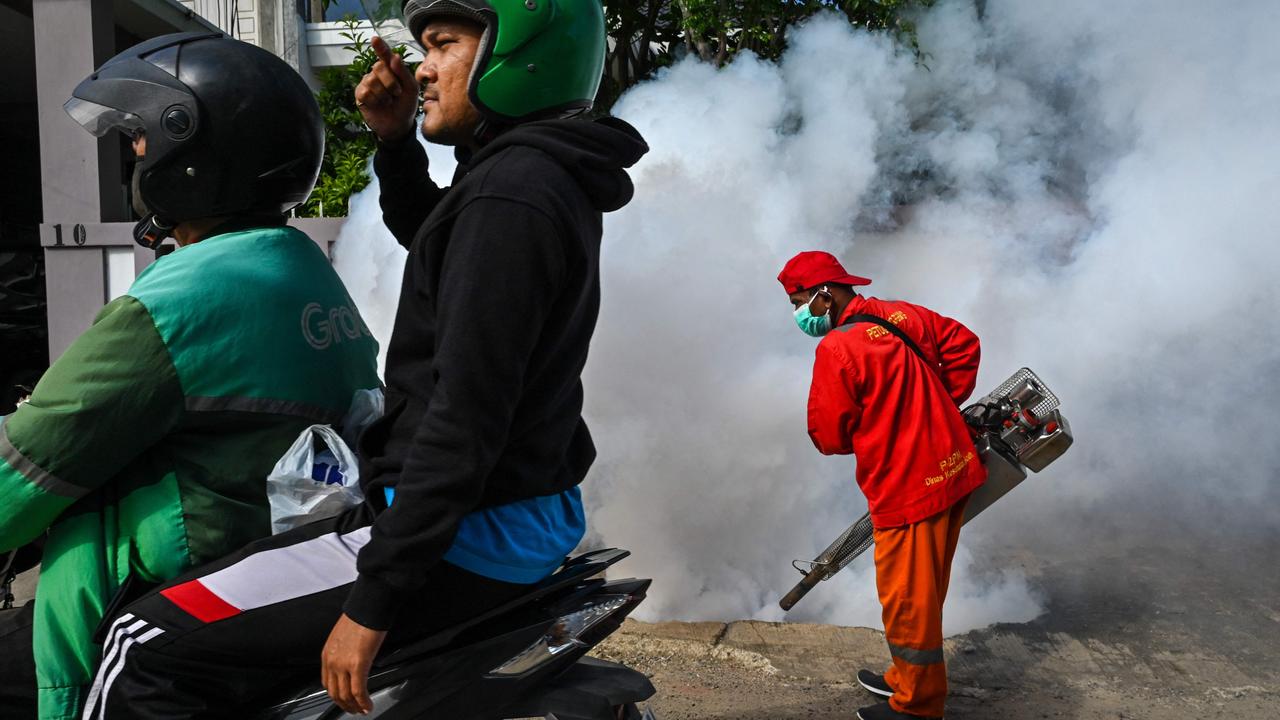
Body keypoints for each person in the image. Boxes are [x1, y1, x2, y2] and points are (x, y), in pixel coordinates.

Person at [85, 1, 648, 716]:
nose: (424, 67)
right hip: (511, 514)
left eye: (443, 45)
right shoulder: (529, 182)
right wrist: (394, 140)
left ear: (522, 53)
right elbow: (448, 255)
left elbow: (463, 420)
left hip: (467, 532)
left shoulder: (511, 196)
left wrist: (373, 603)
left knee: (139, 641)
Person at [0, 33, 382, 720]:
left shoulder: (184, 299)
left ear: (195, 151)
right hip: (253, 571)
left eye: (143, 138)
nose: (135, 154)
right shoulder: (300, 272)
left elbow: (25, 466)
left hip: (153, 592)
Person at [779, 250, 986, 720]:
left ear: (824, 295)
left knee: (906, 596)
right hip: (954, 466)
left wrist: (899, 419)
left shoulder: (837, 349)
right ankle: (903, 678)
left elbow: (829, 436)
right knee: (925, 586)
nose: (798, 313)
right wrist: (933, 405)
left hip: (908, 485)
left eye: (798, 301)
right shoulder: (898, 314)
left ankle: (917, 707)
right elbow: (963, 345)